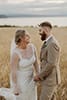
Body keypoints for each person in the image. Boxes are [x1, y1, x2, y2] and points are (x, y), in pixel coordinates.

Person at [0, 29, 39, 100]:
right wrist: (15, 87)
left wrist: (38, 74)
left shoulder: (32, 47)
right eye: (27, 35)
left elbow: (36, 63)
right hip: (21, 81)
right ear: (21, 38)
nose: (29, 36)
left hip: (32, 79)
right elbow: (13, 71)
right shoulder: (15, 54)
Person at [34, 21, 61, 100]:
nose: (39, 33)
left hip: (50, 80)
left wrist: (39, 76)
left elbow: (51, 64)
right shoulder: (48, 42)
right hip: (48, 79)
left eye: (40, 30)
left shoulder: (52, 43)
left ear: (45, 30)